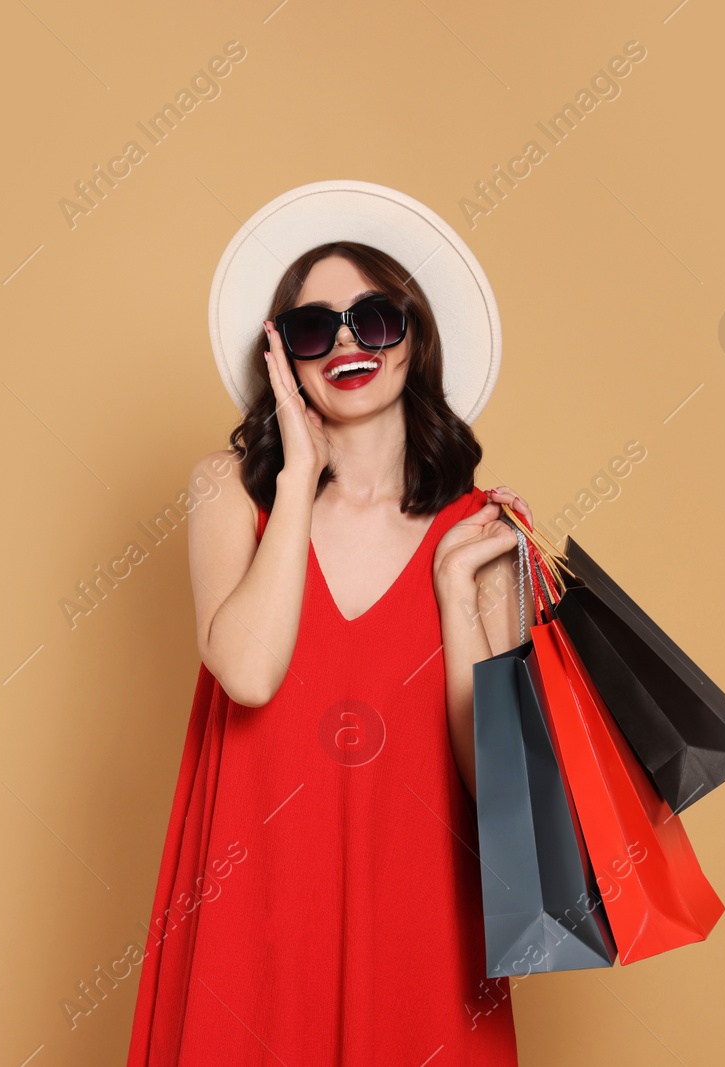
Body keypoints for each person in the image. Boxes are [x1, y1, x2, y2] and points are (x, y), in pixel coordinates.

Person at [124, 230, 530, 1065]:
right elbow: (248, 669)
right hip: (255, 912)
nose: (346, 342)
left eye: (373, 318)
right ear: (282, 354)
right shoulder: (231, 492)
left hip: (420, 929)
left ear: (415, 338)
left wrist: (457, 598)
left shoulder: (484, 531)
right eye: (314, 328)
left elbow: (503, 794)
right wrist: (298, 473)